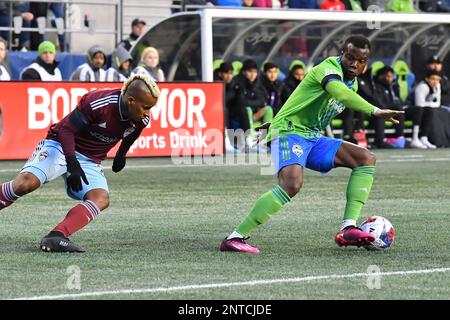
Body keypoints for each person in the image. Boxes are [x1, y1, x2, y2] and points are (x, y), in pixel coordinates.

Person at [220, 35, 404, 254]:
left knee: (365, 159)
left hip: (311, 136)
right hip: (289, 132)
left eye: (361, 60)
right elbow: (340, 94)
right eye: (350, 57)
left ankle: (348, 227)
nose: (354, 64)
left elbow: (303, 99)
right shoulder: (327, 69)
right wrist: (375, 111)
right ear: (341, 54)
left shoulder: (352, 82)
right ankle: (235, 237)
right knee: (291, 185)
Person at [0, 74, 160, 252]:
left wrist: (121, 155)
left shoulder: (141, 119)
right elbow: (66, 130)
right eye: (146, 107)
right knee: (25, 184)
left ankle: (56, 236)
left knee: (101, 198)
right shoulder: (99, 102)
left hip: (89, 159)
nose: (148, 113)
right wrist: (72, 163)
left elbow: (131, 135)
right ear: (131, 100)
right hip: (60, 145)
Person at [372, 66, 405, 149]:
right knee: (385, 111)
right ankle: (380, 141)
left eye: (391, 76)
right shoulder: (377, 86)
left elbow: (398, 99)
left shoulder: (394, 85)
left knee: (400, 108)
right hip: (382, 107)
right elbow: (379, 101)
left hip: (393, 107)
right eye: (387, 76)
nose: (389, 78)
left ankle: (400, 137)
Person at [407, 69, 441, 149]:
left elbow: (438, 103)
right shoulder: (422, 87)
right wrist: (430, 104)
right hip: (408, 109)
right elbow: (419, 104)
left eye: (437, 79)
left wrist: (428, 105)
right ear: (427, 79)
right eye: (433, 79)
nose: (435, 81)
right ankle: (414, 138)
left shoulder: (437, 86)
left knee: (429, 110)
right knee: (420, 110)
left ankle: (424, 138)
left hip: (422, 109)